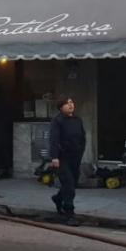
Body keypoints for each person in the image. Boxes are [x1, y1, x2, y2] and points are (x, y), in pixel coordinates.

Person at [49, 97, 86, 227]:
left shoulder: (77, 120)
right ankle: (69, 213)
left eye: (71, 103)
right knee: (69, 185)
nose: (70, 105)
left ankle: (58, 198)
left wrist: (81, 152)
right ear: (60, 107)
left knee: (72, 183)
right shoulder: (57, 121)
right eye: (66, 103)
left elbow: (82, 137)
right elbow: (53, 140)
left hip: (75, 157)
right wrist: (54, 157)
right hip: (62, 158)